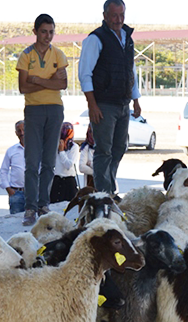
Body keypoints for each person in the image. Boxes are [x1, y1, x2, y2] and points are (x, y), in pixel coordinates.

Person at [79, 0, 142, 199]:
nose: (118, 20)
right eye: (114, 15)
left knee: (119, 148)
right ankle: (104, 195)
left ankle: (109, 187)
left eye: (122, 15)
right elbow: (84, 74)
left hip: (123, 103)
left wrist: (136, 99)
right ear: (105, 15)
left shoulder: (127, 38)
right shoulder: (95, 39)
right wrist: (92, 105)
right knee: (103, 151)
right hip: (103, 104)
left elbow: (130, 70)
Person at [17, 13, 68, 226]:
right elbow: (23, 87)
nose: (48, 36)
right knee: (32, 161)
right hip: (34, 110)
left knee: (49, 160)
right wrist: (48, 81)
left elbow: (63, 84)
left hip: (55, 109)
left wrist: (36, 79)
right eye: (44, 31)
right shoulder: (26, 55)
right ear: (35, 31)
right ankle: (30, 207)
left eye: (51, 32)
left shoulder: (58, 54)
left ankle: (43, 204)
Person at [0, 120, 27, 215]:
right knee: (15, 219)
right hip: (16, 192)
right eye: (19, 131)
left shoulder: (38, 150)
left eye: (24, 130)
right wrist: (8, 188)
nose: (22, 133)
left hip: (33, 193)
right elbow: (4, 170)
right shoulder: (11, 150)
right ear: (16, 133)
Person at [51, 122, 80, 203]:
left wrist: (62, 151)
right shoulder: (55, 145)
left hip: (68, 180)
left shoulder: (74, 147)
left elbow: (69, 165)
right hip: (56, 179)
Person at [78, 124, 96, 188]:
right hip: (90, 185)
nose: (93, 134)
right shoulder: (86, 147)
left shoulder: (106, 147)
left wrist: (90, 164)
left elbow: (106, 167)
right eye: (91, 131)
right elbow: (81, 167)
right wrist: (96, 173)